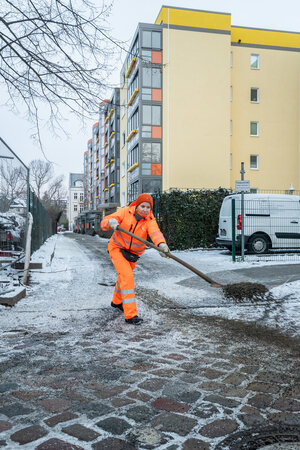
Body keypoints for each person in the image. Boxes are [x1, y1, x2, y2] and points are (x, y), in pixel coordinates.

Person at [101, 193, 170, 325]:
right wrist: (111, 222)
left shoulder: (150, 220)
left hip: (132, 254)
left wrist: (162, 245)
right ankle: (131, 315)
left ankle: (116, 302)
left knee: (123, 277)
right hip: (117, 248)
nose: (145, 209)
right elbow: (104, 222)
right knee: (127, 277)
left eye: (148, 207)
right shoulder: (125, 212)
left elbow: (155, 233)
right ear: (137, 205)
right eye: (142, 206)